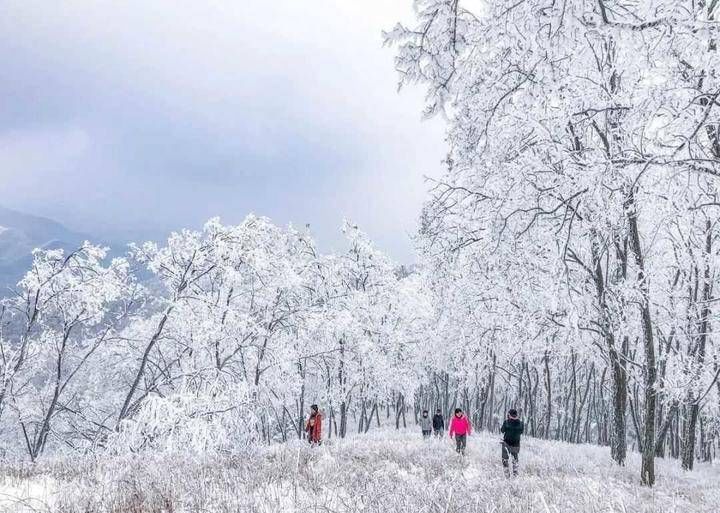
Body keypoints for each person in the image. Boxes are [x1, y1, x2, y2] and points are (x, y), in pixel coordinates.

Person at [500, 408, 524, 477]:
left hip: (506, 444)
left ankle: (507, 476)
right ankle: (515, 476)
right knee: (515, 460)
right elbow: (521, 432)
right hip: (516, 445)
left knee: (505, 460)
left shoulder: (506, 422)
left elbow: (502, 430)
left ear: (509, 415)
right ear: (516, 415)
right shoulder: (521, 423)